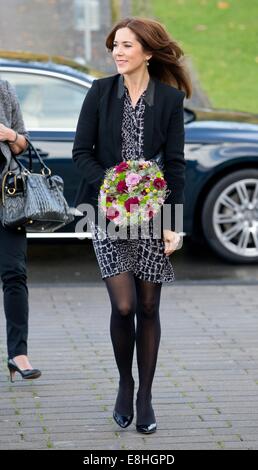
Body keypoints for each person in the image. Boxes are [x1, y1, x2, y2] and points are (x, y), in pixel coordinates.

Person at [73, 17, 192, 434]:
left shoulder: (170, 101)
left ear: (148, 51)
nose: (118, 53)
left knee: (148, 306)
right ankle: (126, 383)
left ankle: (145, 397)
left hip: (154, 216)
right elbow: (80, 153)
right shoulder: (100, 92)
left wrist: (172, 224)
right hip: (106, 214)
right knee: (123, 306)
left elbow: (175, 167)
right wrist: (113, 184)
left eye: (126, 45)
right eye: (114, 46)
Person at [0, 79, 41, 382]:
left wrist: (11, 134)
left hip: (7, 197)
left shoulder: (4, 88)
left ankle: (18, 353)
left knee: (15, 273)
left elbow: (22, 143)